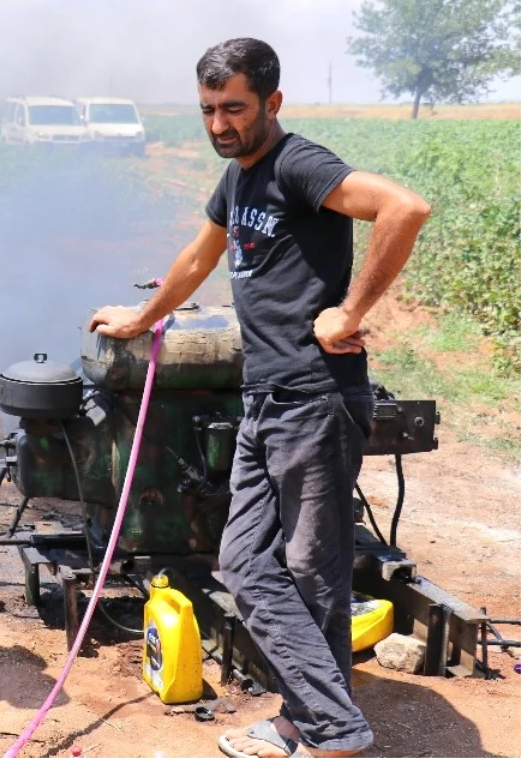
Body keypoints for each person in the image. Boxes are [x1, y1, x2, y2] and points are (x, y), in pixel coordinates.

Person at [89, 38, 430, 758]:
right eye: (209, 109)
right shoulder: (239, 178)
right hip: (265, 400)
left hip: (314, 397)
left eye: (234, 108)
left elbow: (405, 207)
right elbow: (200, 256)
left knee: (308, 571)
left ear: (272, 103)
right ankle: (316, 719)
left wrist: (350, 308)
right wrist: (142, 319)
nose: (219, 123)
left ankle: (326, 725)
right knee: (252, 562)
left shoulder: (297, 164)